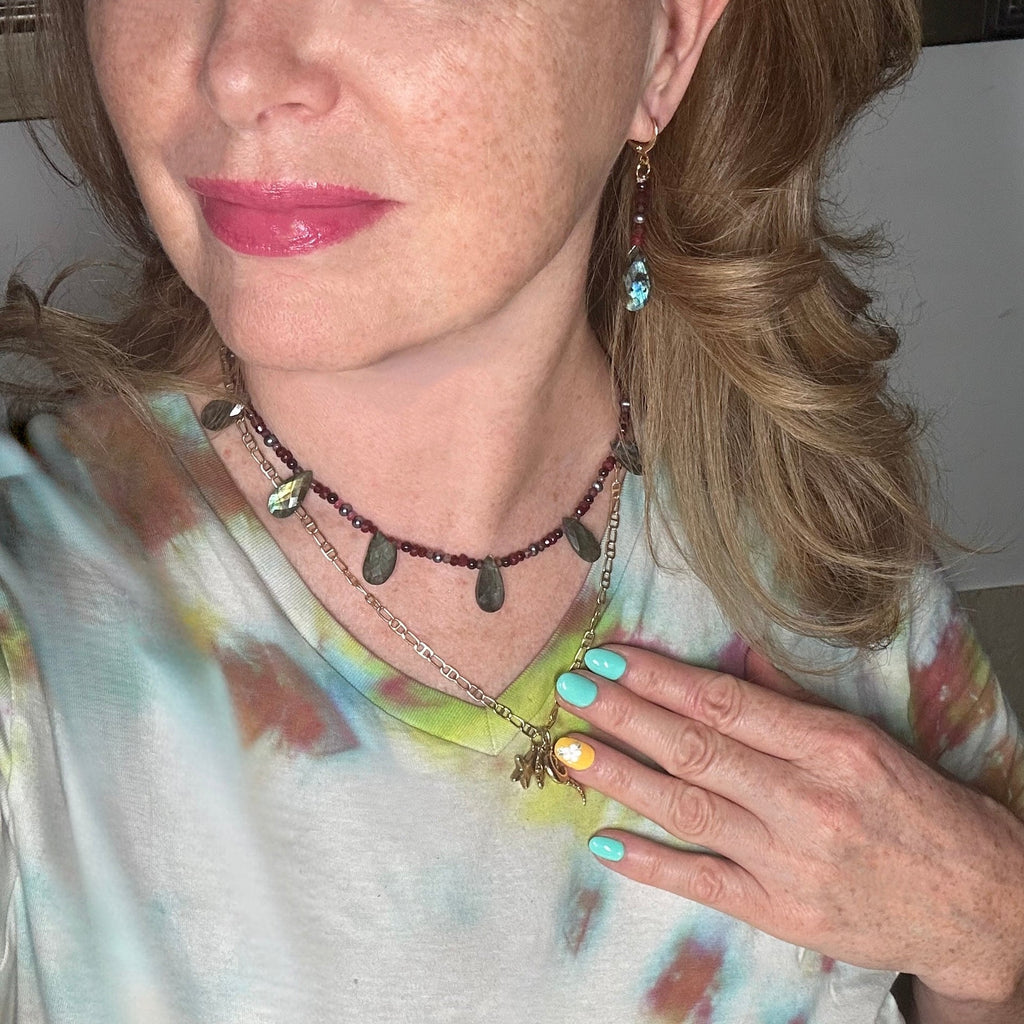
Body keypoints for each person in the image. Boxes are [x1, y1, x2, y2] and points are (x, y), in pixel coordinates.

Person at [0, 0, 1022, 1021]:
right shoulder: (31, 626)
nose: (237, 70)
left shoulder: (813, 548)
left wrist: (991, 924)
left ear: (668, 42)